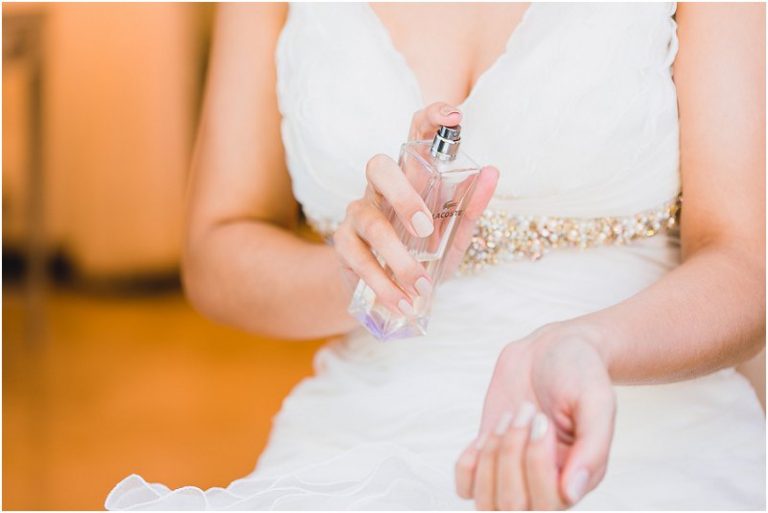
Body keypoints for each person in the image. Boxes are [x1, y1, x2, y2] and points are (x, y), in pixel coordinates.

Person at [106, 2, 765, 510]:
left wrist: (591, 343)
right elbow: (217, 251)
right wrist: (366, 270)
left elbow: (745, 263)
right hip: (356, 441)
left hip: (639, 427)